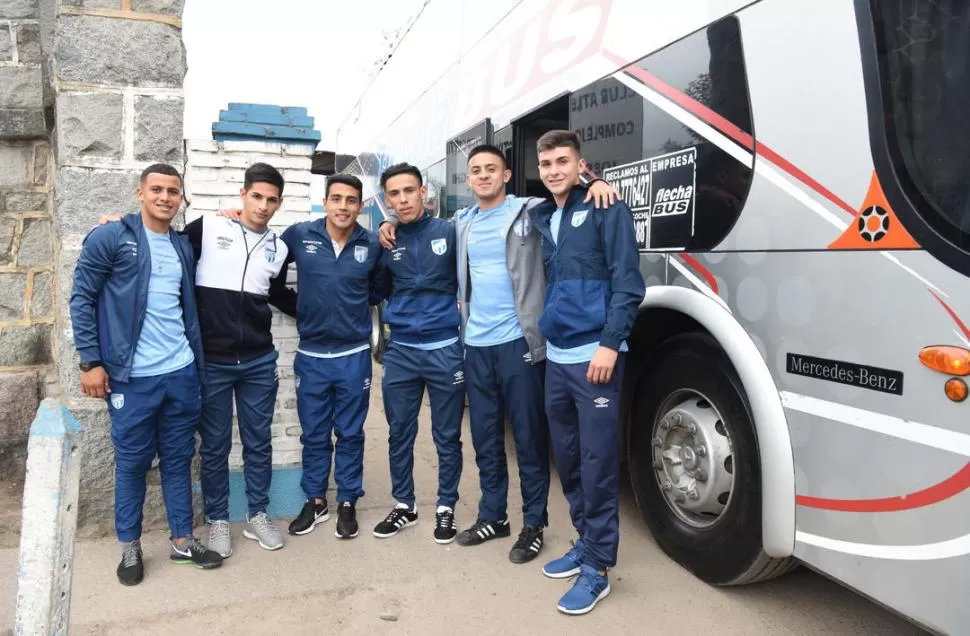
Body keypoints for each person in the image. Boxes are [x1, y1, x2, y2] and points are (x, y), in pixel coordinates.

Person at [379, 146, 618, 564]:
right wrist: (386, 223)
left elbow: (564, 195)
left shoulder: (529, 211)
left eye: (491, 169)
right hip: (474, 344)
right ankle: (494, 516)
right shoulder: (461, 223)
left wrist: (592, 181)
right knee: (485, 439)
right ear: (467, 180)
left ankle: (533, 524)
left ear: (506, 174)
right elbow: (417, 229)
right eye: (475, 171)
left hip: (519, 344)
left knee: (528, 439)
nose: (484, 176)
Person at [99, 162, 298, 558]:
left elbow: (275, 294)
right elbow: (159, 238)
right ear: (242, 195)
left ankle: (258, 513)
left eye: (271, 200)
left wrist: (328, 315)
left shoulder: (280, 247)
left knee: (259, 441)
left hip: (258, 361)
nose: (262, 205)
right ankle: (219, 519)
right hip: (212, 362)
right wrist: (118, 224)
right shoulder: (206, 229)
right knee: (216, 445)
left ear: (279, 204)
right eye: (256, 196)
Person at [71, 163, 222, 586]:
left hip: (180, 372)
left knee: (177, 460)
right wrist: (90, 361)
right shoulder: (111, 236)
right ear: (140, 193)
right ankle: (130, 546)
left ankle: (181, 541)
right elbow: (82, 296)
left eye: (174, 191)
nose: (165, 198)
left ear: (181, 198)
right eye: (156, 189)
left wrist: (228, 214)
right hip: (131, 378)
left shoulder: (180, 245)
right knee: (133, 463)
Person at [529, 130, 644, 615]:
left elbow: (627, 284)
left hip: (594, 359)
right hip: (556, 358)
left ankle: (597, 567)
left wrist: (609, 344)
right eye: (547, 163)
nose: (554, 170)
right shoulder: (541, 216)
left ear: (581, 164)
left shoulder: (607, 208)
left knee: (597, 465)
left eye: (563, 162)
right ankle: (584, 540)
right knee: (570, 460)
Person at [279, 174, 386, 540]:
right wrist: (304, 310)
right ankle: (315, 500)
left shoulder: (371, 244)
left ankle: (347, 500)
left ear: (359, 206)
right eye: (336, 198)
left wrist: (349, 307)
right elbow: (269, 273)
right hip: (311, 355)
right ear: (325, 202)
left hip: (352, 354)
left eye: (351, 200)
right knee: (314, 433)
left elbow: (379, 288)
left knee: (351, 432)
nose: (343, 206)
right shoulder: (299, 235)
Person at [367, 163, 465, 544]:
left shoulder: (450, 233)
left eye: (409, 191)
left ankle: (446, 508)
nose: (403, 199)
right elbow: (374, 292)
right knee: (399, 433)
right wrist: (378, 241)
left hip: (444, 351)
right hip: (402, 353)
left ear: (423, 192)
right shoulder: (387, 241)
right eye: (394, 194)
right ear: (387, 199)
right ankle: (404, 505)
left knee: (447, 436)